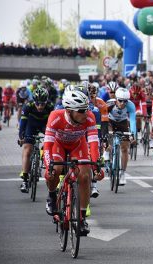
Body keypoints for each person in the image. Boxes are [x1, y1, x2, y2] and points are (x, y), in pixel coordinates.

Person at [43, 89, 104, 236]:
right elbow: (47, 145)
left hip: (78, 145)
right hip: (59, 145)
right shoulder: (55, 116)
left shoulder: (89, 117)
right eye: (81, 110)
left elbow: (94, 143)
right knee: (55, 170)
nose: (86, 113)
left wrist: (96, 166)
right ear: (69, 110)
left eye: (87, 109)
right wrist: (48, 166)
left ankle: (81, 218)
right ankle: (52, 195)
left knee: (85, 175)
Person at [18, 87, 54, 193]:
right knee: (27, 149)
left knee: (49, 144)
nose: (40, 106)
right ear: (34, 101)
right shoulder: (28, 106)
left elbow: (54, 124)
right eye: (37, 103)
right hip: (31, 125)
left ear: (46, 102)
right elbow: (23, 123)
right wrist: (22, 136)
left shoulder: (51, 107)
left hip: (45, 125)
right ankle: (25, 179)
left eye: (42, 104)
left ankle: (43, 155)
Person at [104, 88, 137, 185]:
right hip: (110, 122)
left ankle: (122, 173)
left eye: (125, 101)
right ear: (116, 99)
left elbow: (132, 121)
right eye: (120, 101)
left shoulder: (130, 106)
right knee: (109, 137)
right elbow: (104, 119)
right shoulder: (109, 104)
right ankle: (106, 152)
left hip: (122, 123)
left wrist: (133, 134)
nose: (122, 103)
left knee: (125, 149)